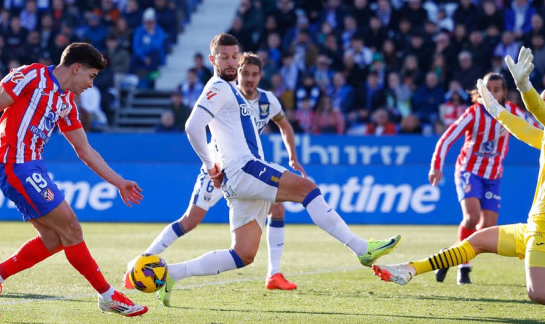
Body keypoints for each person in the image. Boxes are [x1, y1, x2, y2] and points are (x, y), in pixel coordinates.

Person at [374, 47, 545, 320]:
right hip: (539, 223)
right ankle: (411, 269)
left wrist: (524, 87)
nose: (542, 108)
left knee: (540, 293)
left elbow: (536, 111)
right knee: (476, 240)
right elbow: (524, 129)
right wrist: (494, 108)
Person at [157, 33, 401, 306]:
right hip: (243, 169)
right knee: (308, 189)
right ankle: (362, 249)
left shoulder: (233, 91)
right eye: (223, 57)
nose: (229, 62)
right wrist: (209, 165)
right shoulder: (218, 87)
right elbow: (192, 126)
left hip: (239, 178)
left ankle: (172, 273)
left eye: (233, 56)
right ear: (213, 59)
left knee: (243, 254)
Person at [0, 42, 148, 319]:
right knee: (72, 228)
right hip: (15, 167)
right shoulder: (30, 76)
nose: (91, 85)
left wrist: (118, 182)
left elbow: (85, 150)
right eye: (91, 76)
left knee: (55, 239)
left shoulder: (65, 102)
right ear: (76, 68)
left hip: (34, 169)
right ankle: (107, 295)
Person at [125, 52, 307, 291]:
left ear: (261, 76)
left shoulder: (268, 101)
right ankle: (140, 264)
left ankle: (274, 274)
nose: (249, 79)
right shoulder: (224, 93)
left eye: (254, 74)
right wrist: (211, 164)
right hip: (219, 169)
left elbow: (285, 126)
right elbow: (196, 124)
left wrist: (293, 157)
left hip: (248, 169)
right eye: (244, 73)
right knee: (190, 221)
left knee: (277, 208)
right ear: (236, 73)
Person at [429, 73, 530, 285]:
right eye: (488, 89)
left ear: (504, 93)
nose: (492, 93)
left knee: (485, 230)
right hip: (469, 171)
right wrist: (436, 166)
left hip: (493, 176)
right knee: (472, 218)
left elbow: (536, 126)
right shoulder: (473, 113)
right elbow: (447, 138)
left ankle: (447, 255)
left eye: (497, 89)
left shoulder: (512, 112)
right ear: (481, 92)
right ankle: (463, 268)